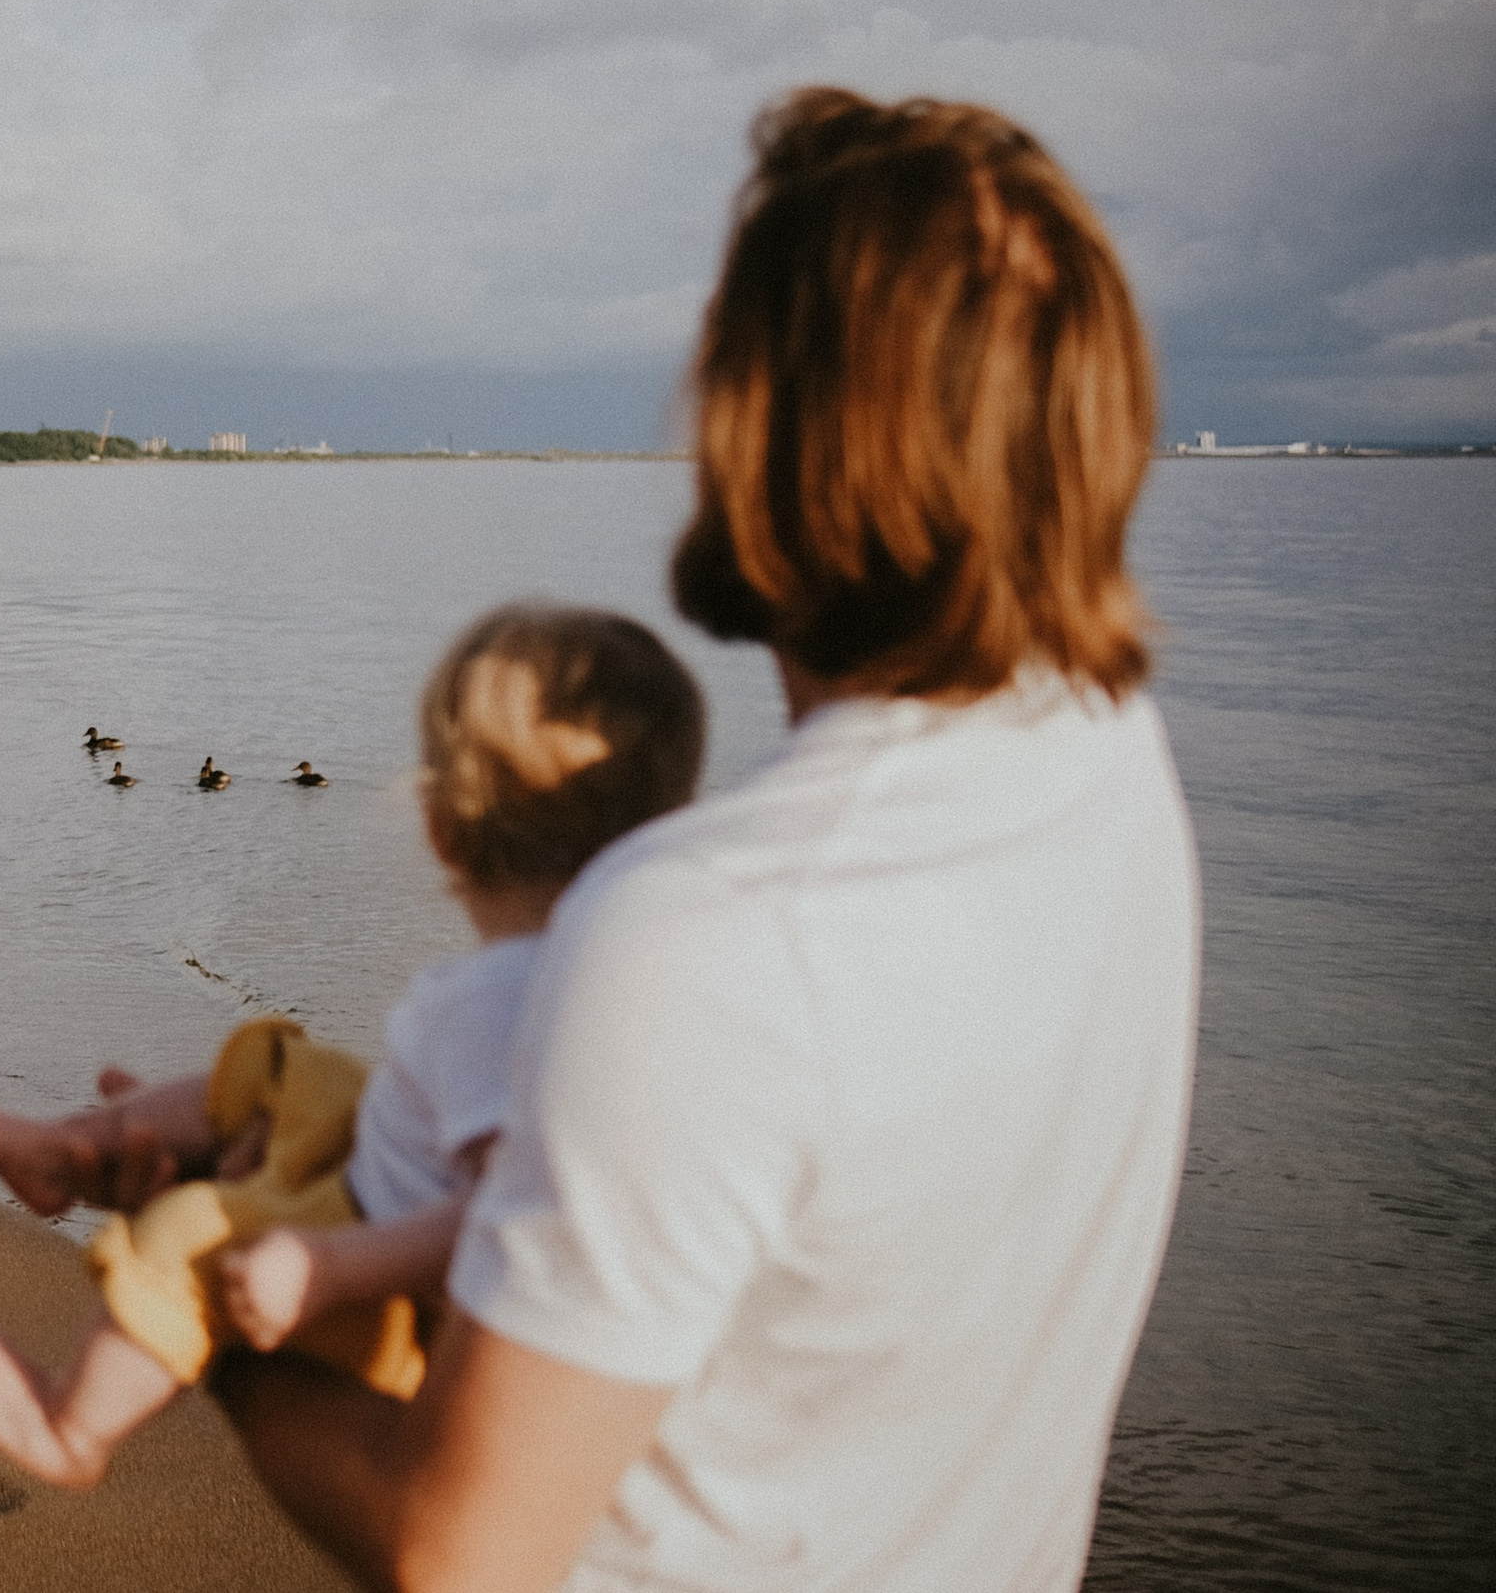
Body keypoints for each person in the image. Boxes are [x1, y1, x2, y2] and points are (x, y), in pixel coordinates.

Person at [209, 88, 1200, 1593]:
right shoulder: (1111, 764)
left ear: (769, 425)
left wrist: (201, 1291)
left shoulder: (703, 930)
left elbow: (454, 1549)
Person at [0, 603, 706, 1489]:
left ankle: (74, 1428)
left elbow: (504, 1215)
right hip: (380, 1187)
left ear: (438, 830)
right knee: (283, 1070)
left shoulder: (505, 1003)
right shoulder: (586, 980)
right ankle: (58, 1147)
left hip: (372, 1266)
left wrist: (326, 1265)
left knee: (185, 1237)